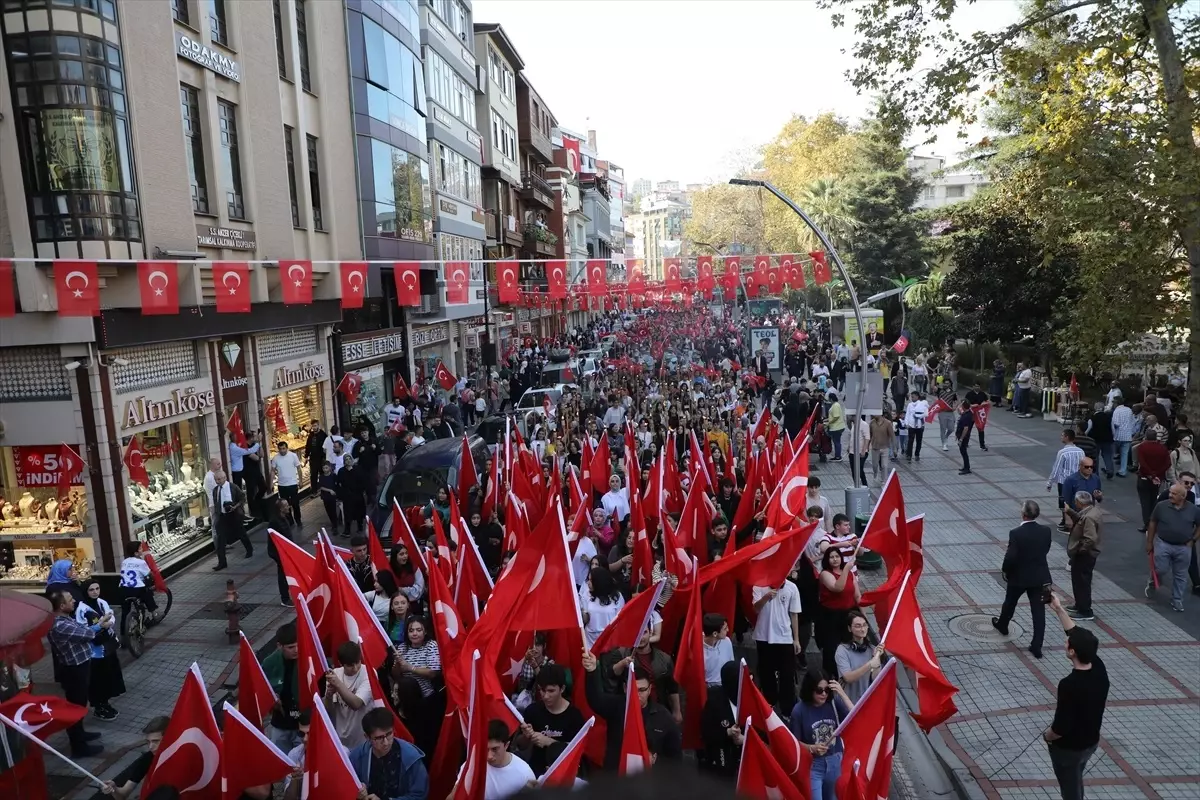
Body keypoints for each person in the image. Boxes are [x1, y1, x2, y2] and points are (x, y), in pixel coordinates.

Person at [1044, 594, 1109, 800]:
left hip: (1069, 749)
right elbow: (1074, 632)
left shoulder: (1069, 685)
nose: (1065, 643)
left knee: (1070, 790)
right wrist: (1058, 609)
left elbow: (1061, 726)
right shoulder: (1098, 668)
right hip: (1090, 741)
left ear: (1072, 652)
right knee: (1076, 777)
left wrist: (1048, 737)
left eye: (1067, 644)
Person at [582, 649, 682, 771]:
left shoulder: (663, 717)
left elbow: (675, 758)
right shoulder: (616, 706)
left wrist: (655, 760)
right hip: (616, 777)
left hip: (649, 782)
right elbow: (596, 700)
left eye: (642, 690)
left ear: (650, 689)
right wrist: (592, 671)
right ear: (625, 688)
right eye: (633, 690)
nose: (637, 695)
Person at [47, 588, 111, 756]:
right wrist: (100, 625)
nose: (74, 601)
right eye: (70, 600)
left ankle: (81, 734)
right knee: (75, 706)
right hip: (73, 670)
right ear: (62, 605)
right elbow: (87, 634)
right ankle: (79, 747)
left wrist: (99, 624)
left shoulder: (64, 618)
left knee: (80, 704)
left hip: (80, 666)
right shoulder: (59, 624)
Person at [992, 501, 1052, 659]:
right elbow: (1045, 550)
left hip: (1018, 576)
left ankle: (1003, 625)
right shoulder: (1046, 531)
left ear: (1023, 514)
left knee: (1010, 602)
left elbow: (1011, 557)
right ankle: (1037, 645)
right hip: (1039, 576)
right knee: (1038, 611)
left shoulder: (1016, 533)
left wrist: (1005, 570)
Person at [790, 671, 853, 800]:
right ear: (810, 689)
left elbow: (856, 716)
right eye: (819, 690)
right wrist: (811, 748)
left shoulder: (834, 703)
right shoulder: (799, 710)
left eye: (827, 690)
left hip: (835, 761)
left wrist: (841, 693)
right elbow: (793, 742)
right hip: (813, 766)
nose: (824, 694)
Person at [518, 664, 587, 777]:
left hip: (563, 774)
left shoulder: (574, 716)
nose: (545, 696)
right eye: (542, 690)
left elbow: (578, 751)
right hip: (536, 772)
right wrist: (527, 736)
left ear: (562, 689)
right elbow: (521, 746)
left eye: (551, 691)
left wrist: (550, 742)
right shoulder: (532, 711)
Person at [347, 707, 428, 800]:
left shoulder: (411, 757)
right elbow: (345, 787)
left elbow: (419, 795)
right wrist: (355, 792)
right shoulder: (356, 757)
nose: (386, 742)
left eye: (389, 734)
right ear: (367, 737)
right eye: (379, 738)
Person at [1145, 482, 1200, 612]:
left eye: (1174, 494)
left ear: (1182, 496)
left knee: (1180, 575)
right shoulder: (1161, 506)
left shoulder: (1193, 510)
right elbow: (1153, 522)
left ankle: (1177, 600)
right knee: (1160, 569)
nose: (1170, 495)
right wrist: (1149, 542)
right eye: (1170, 492)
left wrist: (1193, 540)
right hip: (1163, 543)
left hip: (1184, 547)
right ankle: (1153, 580)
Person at [75, 579, 125, 720]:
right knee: (98, 680)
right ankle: (98, 707)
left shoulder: (102, 602)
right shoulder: (82, 609)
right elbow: (82, 629)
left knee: (109, 677)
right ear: (86, 591)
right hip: (94, 651)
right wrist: (101, 625)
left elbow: (111, 616)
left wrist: (108, 623)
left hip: (107, 647)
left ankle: (106, 703)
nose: (95, 592)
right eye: (91, 590)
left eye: (97, 588)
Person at [751, 575, 803, 713]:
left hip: (784, 637)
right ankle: (769, 702)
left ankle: (787, 708)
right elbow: (756, 608)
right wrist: (766, 597)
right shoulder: (758, 586)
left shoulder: (792, 587)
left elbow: (794, 614)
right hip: (763, 636)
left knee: (787, 674)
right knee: (766, 672)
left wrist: (796, 639)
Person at [89, 716, 169, 800]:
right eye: (148, 742)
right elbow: (123, 794)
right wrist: (114, 789)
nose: (150, 747)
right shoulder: (148, 758)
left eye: (156, 741)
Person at [816, 547, 860, 677]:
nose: (835, 559)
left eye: (837, 556)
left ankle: (847, 673)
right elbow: (837, 588)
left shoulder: (850, 574)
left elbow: (857, 596)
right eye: (831, 557)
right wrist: (847, 569)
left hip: (848, 614)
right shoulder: (825, 574)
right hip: (830, 616)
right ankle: (830, 676)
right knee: (831, 648)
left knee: (850, 645)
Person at [324, 641, 373, 749]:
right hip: (341, 738)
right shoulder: (335, 674)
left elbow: (356, 704)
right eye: (350, 665)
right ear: (341, 664)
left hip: (364, 738)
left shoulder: (369, 673)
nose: (355, 668)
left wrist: (338, 684)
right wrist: (328, 695)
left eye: (357, 662)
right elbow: (330, 710)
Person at [262, 622, 303, 753]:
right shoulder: (269, 663)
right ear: (280, 646)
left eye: (298, 645)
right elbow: (262, 689)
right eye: (291, 647)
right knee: (281, 760)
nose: (296, 650)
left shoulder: (308, 660)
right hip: (280, 722)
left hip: (302, 724)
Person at [698, 661, 743, 777]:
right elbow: (706, 732)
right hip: (721, 759)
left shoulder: (751, 700)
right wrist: (727, 732)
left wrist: (745, 739)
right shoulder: (714, 701)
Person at [1063, 491, 1102, 622]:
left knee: (1082, 582)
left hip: (1085, 555)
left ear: (1079, 503)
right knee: (1078, 581)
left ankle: (1085, 610)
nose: (1075, 504)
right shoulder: (1090, 511)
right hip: (1084, 554)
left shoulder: (1089, 517)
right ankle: (1079, 604)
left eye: (1076, 502)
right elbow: (1080, 520)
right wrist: (1069, 512)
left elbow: (1090, 538)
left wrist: (1080, 550)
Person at [834, 611, 884, 704]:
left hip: (865, 701)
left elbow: (875, 679)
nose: (862, 629)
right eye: (858, 626)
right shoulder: (842, 650)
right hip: (846, 702)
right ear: (849, 628)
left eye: (864, 625)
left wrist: (876, 658)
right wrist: (869, 664)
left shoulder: (872, 649)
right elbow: (848, 677)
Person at [484, 719, 537, 800]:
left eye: (495, 749)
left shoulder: (525, 773)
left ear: (506, 745)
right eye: (485, 749)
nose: (489, 756)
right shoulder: (472, 765)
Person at [210, 470, 251, 571]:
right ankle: (222, 562)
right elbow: (216, 503)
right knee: (221, 539)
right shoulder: (215, 490)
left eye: (219, 479)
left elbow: (242, 497)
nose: (217, 481)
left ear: (225, 478)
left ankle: (249, 549)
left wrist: (235, 506)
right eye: (216, 479)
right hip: (222, 517)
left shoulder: (233, 487)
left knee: (241, 533)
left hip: (234, 515)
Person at [1046, 430, 1085, 531]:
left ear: (1067, 437)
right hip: (1078, 480)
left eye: (1062, 435)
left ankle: (1065, 521)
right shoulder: (1081, 451)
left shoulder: (1062, 452)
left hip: (1064, 481)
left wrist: (1050, 482)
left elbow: (1056, 469)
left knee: (1064, 501)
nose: (1061, 437)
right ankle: (1076, 520)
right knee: (1076, 500)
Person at [395, 616, 442, 701]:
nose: (414, 633)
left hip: (427, 696)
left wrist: (410, 668)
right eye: (411, 631)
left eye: (419, 630)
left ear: (425, 632)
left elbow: (433, 673)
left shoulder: (431, 645)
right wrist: (397, 664)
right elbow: (396, 675)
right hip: (407, 695)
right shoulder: (402, 647)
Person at [1135, 430, 1171, 532]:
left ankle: (1147, 524)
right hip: (1158, 479)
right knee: (1153, 500)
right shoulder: (1163, 448)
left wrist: (1151, 474)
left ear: (1146, 436)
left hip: (1145, 477)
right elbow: (1168, 463)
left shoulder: (1142, 447)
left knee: (1145, 501)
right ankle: (1154, 522)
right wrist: (1158, 474)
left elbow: (1142, 463)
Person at [117, 542, 158, 628]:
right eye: (140, 548)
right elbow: (148, 574)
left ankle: (123, 632)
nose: (142, 550)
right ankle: (154, 614)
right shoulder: (141, 562)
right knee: (148, 595)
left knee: (125, 611)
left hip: (123, 589)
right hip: (136, 589)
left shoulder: (124, 562)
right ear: (136, 553)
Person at [582, 567, 624, 649]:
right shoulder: (586, 595)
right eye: (588, 579)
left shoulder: (617, 597)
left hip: (609, 640)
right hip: (590, 640)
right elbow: (585, 619)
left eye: (591, 580)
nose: (588, 583)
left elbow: (620, 619)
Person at [265, 498, 296, 607]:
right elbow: (275, 538)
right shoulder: (274, 521)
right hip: (279, 553)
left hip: (285, 551)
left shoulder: (284, 518)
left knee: (285, 573)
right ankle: (285, 598)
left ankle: (287, 595)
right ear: (281, 509)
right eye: (286, 506)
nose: (288, 507)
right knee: (283, 574)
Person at [271, 441, 303, 525]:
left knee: (295, 504)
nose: (282, 451)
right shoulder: (275, 458)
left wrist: (300, 481)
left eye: (283, 449)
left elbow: (299, 468)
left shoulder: (293, 456)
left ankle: (298, 519)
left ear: (287, 448)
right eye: (280, 449)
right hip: (282, 485)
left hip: (292, 484)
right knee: (285, 506)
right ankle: (290, 520)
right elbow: (273, 471)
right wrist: (271, 483)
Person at [701, 613, 734, 688]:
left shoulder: (727, 641)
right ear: (715, 633)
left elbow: (731, 664)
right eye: (725, 628)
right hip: (706, 688)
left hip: (724, 686)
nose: (728, 630)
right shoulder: (698, 648)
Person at [1111, 396, 1135, 477]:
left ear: (1116, 403)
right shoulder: (1129, 410)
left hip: (1118, 435)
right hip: (1128, 435)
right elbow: (1133, 421)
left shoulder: (1116, 411)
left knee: (1112, 452)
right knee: (1124, 454)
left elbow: (1116, 423)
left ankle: (1110, 469)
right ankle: (1123, 471)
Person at [304, 420, 329, 493]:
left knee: (322, 475)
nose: (314, 427)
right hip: (313, 459)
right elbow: (308, 446)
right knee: (313, 475)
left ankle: (324, 490)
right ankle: (314, 491)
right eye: (313, 426)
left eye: (315, 426)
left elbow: (326, 447)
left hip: (321, 458)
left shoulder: (323, 435)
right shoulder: (311, 435)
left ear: (318, 425)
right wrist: (306, 456)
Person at [903, 391, 928, 462]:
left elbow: (925, 414)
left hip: (920, 425)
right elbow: (907, 414)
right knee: (910, 441)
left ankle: (917, 454)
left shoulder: (922, 404)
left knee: (919, 441)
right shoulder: (910, 405)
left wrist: (923, 423)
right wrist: (906, 423)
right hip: (911, 425)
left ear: (917, 397)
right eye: (911, 397)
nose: (912, 398)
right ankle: (909, 455)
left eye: (913, 397)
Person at [317, 462, 341, 535]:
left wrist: (337, 494)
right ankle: (333, 522)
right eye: (324, 468)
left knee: (333, 511)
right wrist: (329, 490)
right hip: (325, 496)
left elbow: (337, 484)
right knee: (328, 511)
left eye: (326, 468)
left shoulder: (333, 476)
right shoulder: (321, 477)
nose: (325, 469)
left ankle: (335, 526)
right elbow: (320, 486)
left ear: (330, 468)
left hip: (332, 497)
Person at [955, 399, 973, 475]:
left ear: (964, 407)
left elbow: (965, 428)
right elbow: (959, 411)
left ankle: (967, 468)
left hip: (964, 437)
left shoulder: (967, 416)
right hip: (961, 435)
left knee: (964, 452)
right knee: (963, 452)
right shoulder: (966, 413)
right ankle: (965, 466)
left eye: (962, 405)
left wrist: (961, 439)